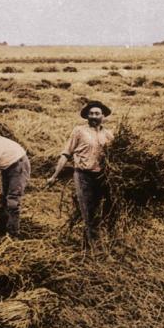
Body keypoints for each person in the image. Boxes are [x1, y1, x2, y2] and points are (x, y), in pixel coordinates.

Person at [47, 100, 113, 246]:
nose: (94, 116)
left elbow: (114, 157)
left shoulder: (108, 134)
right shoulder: (79, 131)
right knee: (88, 210)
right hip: (83, 175)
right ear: (87, 116)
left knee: (100, 210)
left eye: (97, 113)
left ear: (103, 116)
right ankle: (94, 248)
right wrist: (54, 176)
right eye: (91, 113)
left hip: (102, 176)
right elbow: (66, 153)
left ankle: (89, 242)